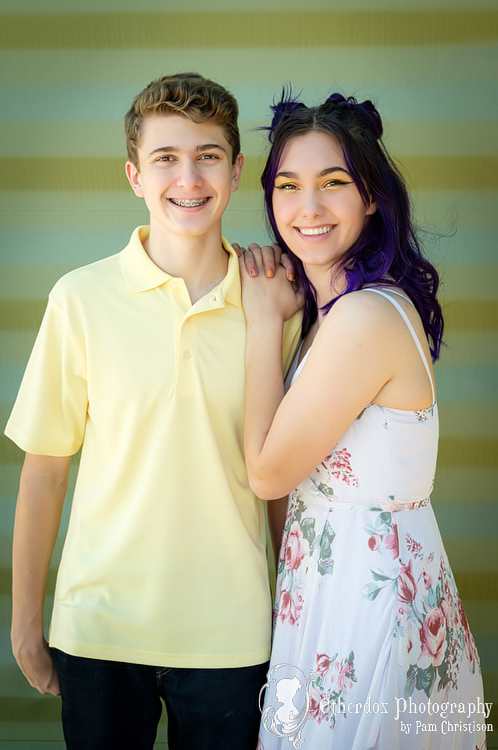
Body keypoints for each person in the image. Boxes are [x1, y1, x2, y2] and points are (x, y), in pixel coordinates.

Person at [5, 73, 301, 750]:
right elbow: (46, 473)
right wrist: (26, 624)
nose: (188, 176)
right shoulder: (79, 299)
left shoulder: (275, 304)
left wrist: (299, 614)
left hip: (234, 636)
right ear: (135, 175)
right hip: (100, 632)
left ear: (236, 171)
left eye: (207, 155)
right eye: (166, 158)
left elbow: (285, 481)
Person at [238, 92, 487, 748]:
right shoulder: (338, 313)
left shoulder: (364, 317)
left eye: (334, 183)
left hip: (370, 612)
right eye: (288, 186)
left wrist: (263, 320)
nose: (308, 207)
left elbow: (267, 472)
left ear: (371, 196)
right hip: (337, 590)